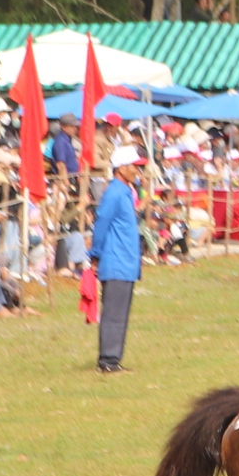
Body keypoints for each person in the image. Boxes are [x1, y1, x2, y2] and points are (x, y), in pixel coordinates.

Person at [89, 145, 145, 372]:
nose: (137, 171)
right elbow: (101, 224)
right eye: (133, 167)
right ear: (121, 168)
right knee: (114, 313)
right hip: (116, 262)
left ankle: (114, 358)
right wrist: (95, 254)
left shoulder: (124, 192)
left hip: (126, 262)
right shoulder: (114, 193)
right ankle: (109, 360)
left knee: (120, 313)